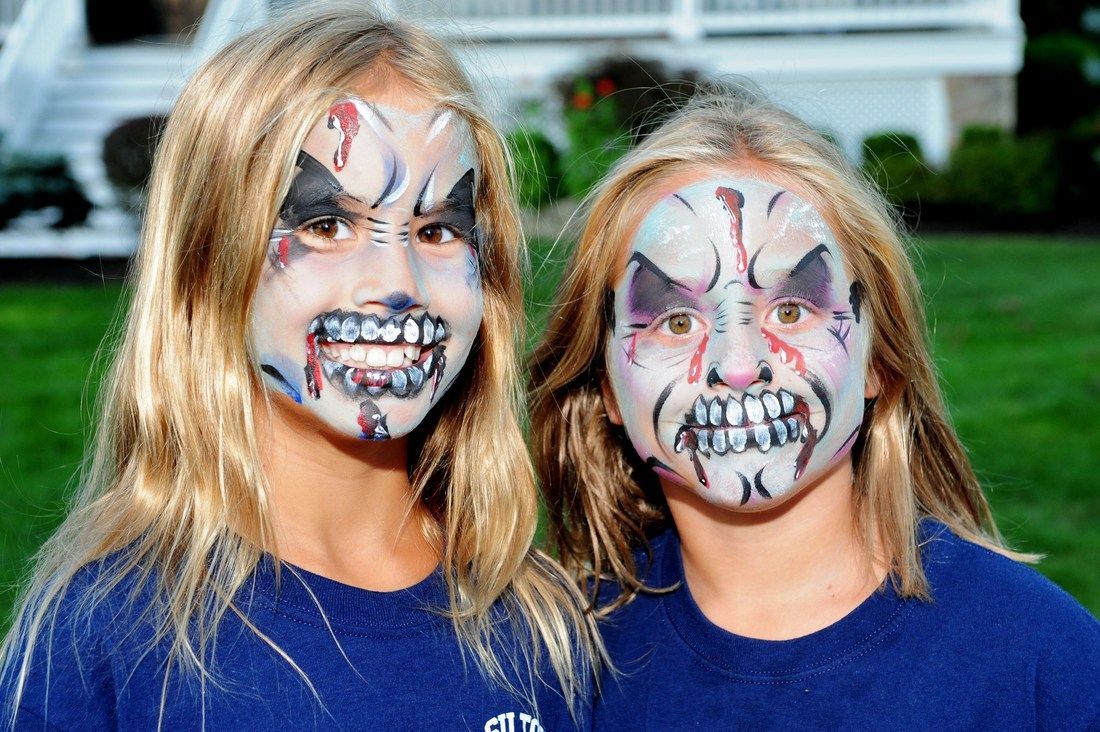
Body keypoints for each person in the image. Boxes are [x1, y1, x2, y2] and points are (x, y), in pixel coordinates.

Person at [1, 3, 599, 729]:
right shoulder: (109, 638)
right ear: (204, 266)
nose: (395, 280)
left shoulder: (540, 630)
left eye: (438, 228)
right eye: (325, 224)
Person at [528, 89, 1100, 728]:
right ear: (604, 383)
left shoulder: (1044, 667)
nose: (739, 363)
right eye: (677, 319)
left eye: (792, 310)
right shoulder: (555, 674)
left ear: (878, 359)